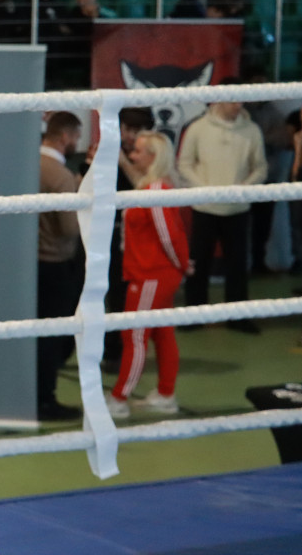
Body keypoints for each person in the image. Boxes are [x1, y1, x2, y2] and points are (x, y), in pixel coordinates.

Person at [105, 131, 189, 420]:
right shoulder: (151, 187)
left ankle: (119, 399)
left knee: (135, 335)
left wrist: (182, 264)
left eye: (138, 151)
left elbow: (170, 236)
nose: (132, 156)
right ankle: (166, 393)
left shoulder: (154, 190)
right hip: (153, 272)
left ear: (153, 157)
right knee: (163, 334)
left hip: (152, 274)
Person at [178, 77, 268, 334]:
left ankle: (237, 316)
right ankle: (194, 314)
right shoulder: (198, 129)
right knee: (199, 262)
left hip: (237, 210)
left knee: (238, 264)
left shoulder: (252, 131)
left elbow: (260, 168)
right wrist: (204, 190)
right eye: (232, 98)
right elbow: (184, 164)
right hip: (205, 209)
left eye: (240, 98)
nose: (237, 104)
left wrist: (242, 191)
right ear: (219, 97)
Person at [81, 107, 155, 370]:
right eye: (129, 130)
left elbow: (148, 187)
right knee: (102, 292)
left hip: (135, 235)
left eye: (138, 131)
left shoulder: (151, 156)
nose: (132, 136)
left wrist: (125, 162)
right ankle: (109, 351)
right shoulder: (105, 149)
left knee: (125, 296)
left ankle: (123, 353)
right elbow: (86, 183)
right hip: (106, 231)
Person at [37, 111, 84, 421]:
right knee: (53, 338)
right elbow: (69, 229)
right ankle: (46, 400)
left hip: (32, 262)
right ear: (65, 136)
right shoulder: (60, 176)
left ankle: (37, 396)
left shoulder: (31, 163)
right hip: (55, 263)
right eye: (76, 137)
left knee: (38, 334)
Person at [24, 0, 76, 91]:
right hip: (36, 64)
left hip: (58, 63)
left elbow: (67, 28)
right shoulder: (27, 4)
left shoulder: (57, 4)